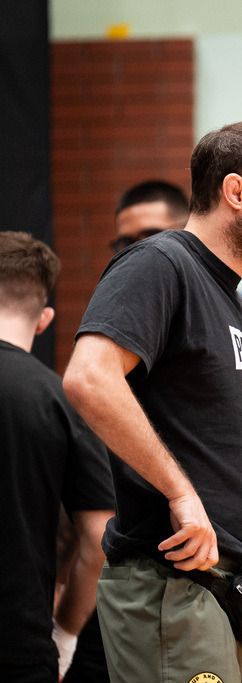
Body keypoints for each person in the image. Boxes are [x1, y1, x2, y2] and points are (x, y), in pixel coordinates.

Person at [63, 122, 242, 683]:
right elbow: (88, 377)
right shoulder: (160, 262)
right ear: (236, 192)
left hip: (240, 595)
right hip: (177, 589)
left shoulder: (228, 297)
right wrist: (180, 492)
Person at [0, 231, 114, 681]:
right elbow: (100, 536)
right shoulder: (63, 401)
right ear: (44, 319)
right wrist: (64, 637)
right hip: (19, 653)